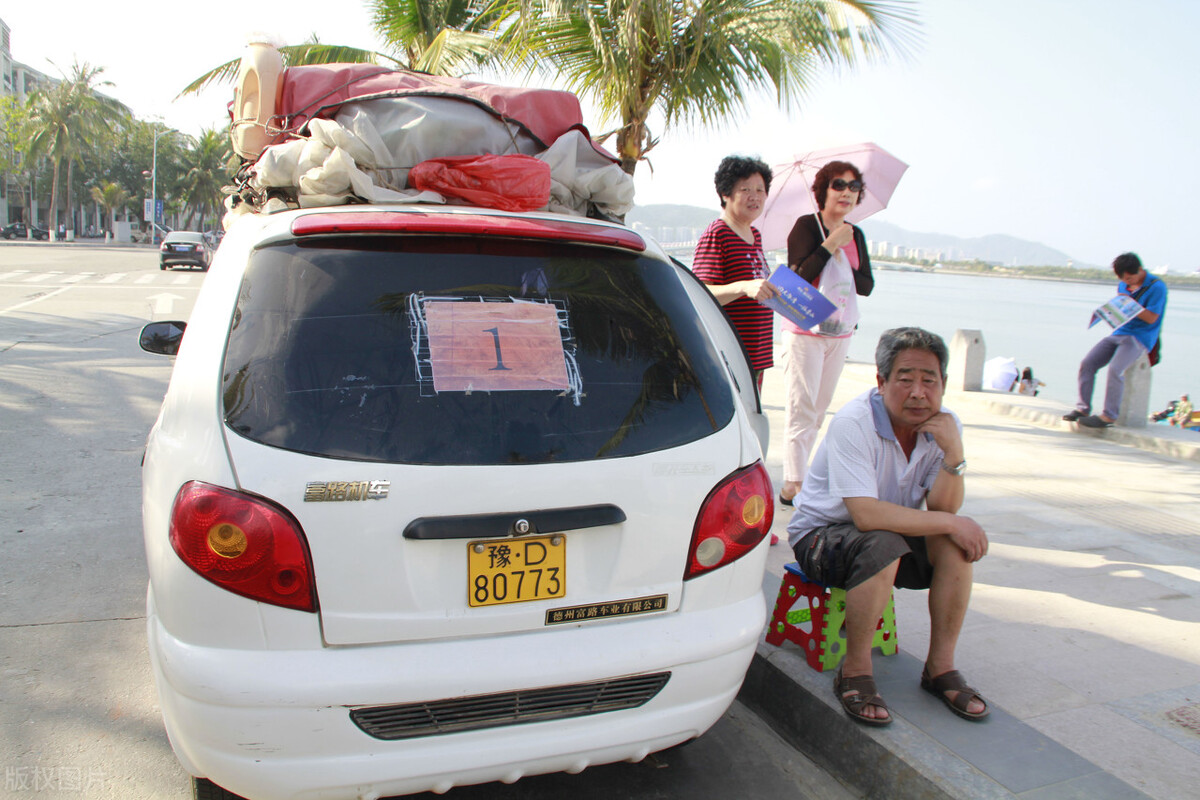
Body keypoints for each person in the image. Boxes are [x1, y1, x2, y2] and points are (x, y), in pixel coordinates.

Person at [788, 327, 989, 725]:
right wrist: (951, 520)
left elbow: (942, 506)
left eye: (929, 381)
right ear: (881, 382)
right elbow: (865, 515)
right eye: (905, 378)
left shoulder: (945, 427)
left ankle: (939, 668)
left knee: (954, 545)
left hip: (889, 537)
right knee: (882, 543)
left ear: (944, 384)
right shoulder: (854, 422)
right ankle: (856, 670)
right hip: (821, 539)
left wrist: (955, 454)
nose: (918, 392)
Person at [777, 161, 875, 506]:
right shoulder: (807, 226)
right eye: (838, 185)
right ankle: (794, 483)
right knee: (801, 407)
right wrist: (831, 244)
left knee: (818, 409)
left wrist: (846, 253)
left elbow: (866, 286)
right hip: (805, 329)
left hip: (840, 332)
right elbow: (798, 276)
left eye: (853, 186)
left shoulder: (856, 233)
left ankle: (800, 478)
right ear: (823, 190)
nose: (846, 192)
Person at [692, 155, 779, 390]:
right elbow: (699, 293)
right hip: (729, 355)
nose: (755, 197)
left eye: (761, 190)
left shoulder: (755, 236)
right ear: (725, 194)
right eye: (746, 189)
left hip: (756, 354)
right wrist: (744, 287)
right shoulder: (718, 234)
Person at [1064, 253, 1167, 429]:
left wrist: (1131, 305)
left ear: (1140, 270)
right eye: (1123, 280)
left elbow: (1151, 318)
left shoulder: (1157, 287)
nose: (1127, 283)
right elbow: (1121, 308)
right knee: (1088, 363)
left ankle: (1109, 416)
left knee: (1115, 369)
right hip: (1119, 331)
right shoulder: (1123, 284)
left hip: (1140, 337)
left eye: (1129, 278)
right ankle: (1083, 409)